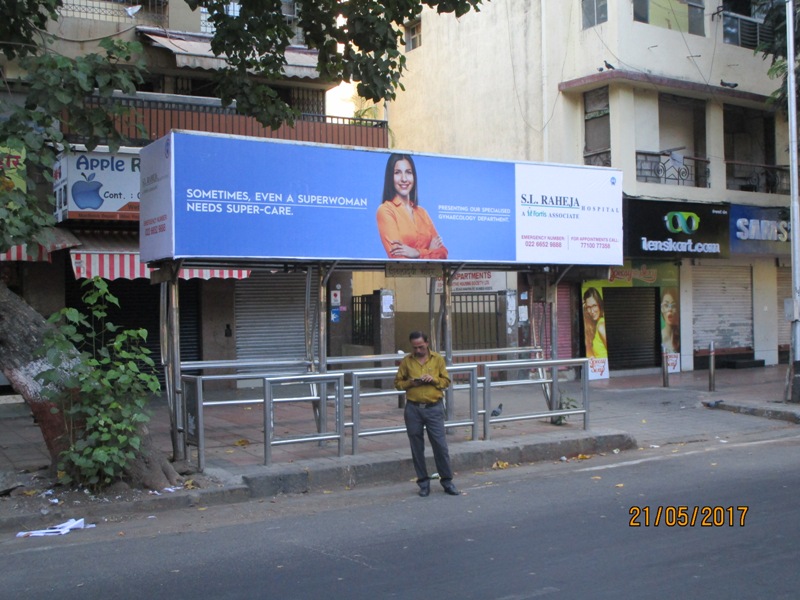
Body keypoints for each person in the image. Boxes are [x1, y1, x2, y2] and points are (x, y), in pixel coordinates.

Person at [394, 331, 460, 497]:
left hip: (434, 407)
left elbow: (446, 382)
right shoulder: (407, 362)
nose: (418, 350)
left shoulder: (437, 359)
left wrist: (434, 379)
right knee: (417, 447)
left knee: (440, 445)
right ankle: (423, 483)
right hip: (413, 409)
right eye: (415, 347)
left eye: (421, 347)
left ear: (427, 343)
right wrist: (411, 382)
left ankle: (447, 481)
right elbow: (398, 384)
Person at [376, 153, 449, 259]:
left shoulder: (422, 212)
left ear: (414, 176)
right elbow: (399, 257)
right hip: (402, 275)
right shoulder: (386, 210)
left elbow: (443, 253)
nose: (404, 179)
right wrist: (430, 251)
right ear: (390, 177)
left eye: (408, 172)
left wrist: (417, 253)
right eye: (397, 173)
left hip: (430, 275)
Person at [583, 287, 608, 358]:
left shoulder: (601, 326)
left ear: (600, 304)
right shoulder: (595, 325)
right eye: (588, 307)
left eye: (594, 306)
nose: (592, 311)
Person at [660, 288, 680, 353]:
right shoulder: (660, 337)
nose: (670, 309)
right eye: (666, 305)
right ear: (662, 309)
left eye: (673, 306)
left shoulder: (680, 335)